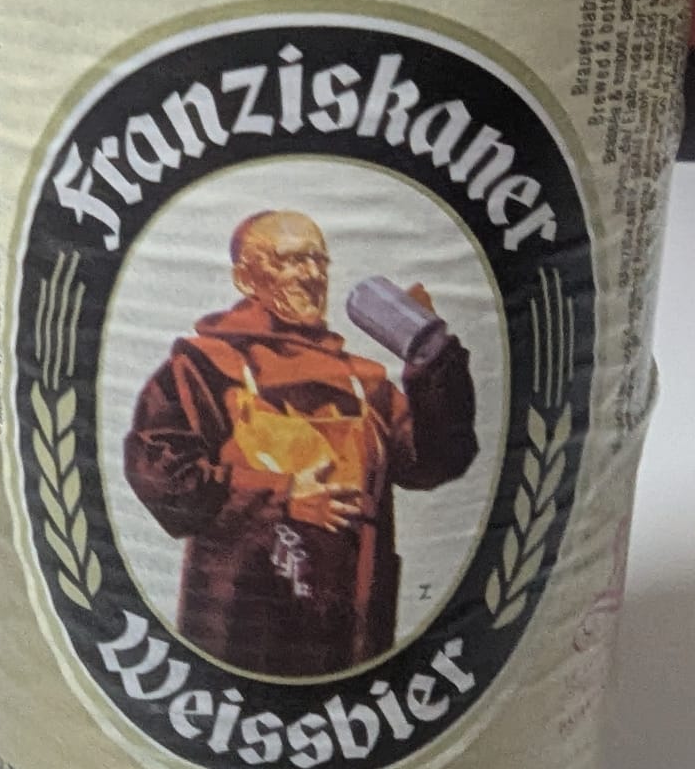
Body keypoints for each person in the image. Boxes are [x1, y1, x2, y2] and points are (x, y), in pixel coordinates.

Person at [123, 210, 478, 676]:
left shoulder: (363, 381)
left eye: (319, 261)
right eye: (291, 260)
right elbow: (161, 477)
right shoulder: (204, 367)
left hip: (354, 625)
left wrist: (433, 363)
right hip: (241, 627)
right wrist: (283, 498)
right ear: (245, 278)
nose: (312, 274)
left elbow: (437, 462)